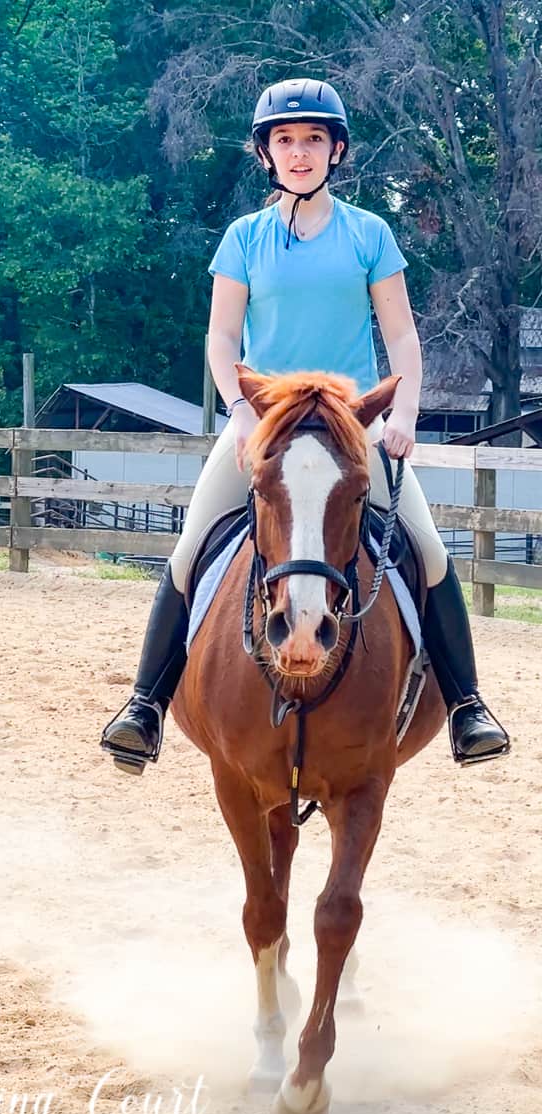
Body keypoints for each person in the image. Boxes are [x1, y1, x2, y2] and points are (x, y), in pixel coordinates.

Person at [101, 77, 510, 774]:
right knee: (189, 548)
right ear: (265, 154)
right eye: (285, 140)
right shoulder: (244, 239)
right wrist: (238, 412)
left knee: (431, 553)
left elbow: (403, 337)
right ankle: (144, 705)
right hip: (266, 427)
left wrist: (404, 414)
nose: (299, 152)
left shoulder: (369, 234)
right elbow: (222, 340)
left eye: (313, 139)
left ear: (336, 150)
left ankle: (468, 706)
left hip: (352, 429)